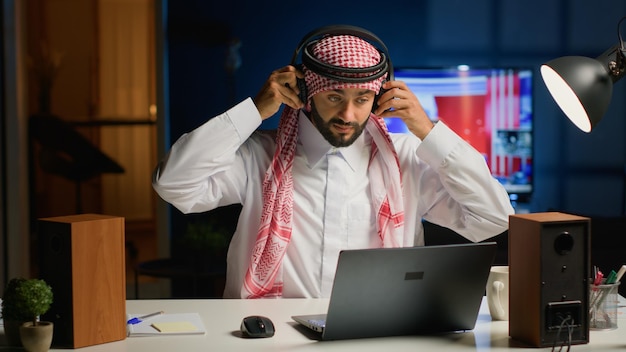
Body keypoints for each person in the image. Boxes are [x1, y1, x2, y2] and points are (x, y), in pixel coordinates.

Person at [152, 26, 514, 299]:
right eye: (334, 97)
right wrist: (254, 111)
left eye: (362, 99)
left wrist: (429, 131)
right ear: (306, 93)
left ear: (380, 97)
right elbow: (174, 185)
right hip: (269, 338)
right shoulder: (259, 156)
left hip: (378, 339)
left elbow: (493, 217)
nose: (348, 113)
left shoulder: (406, 158)